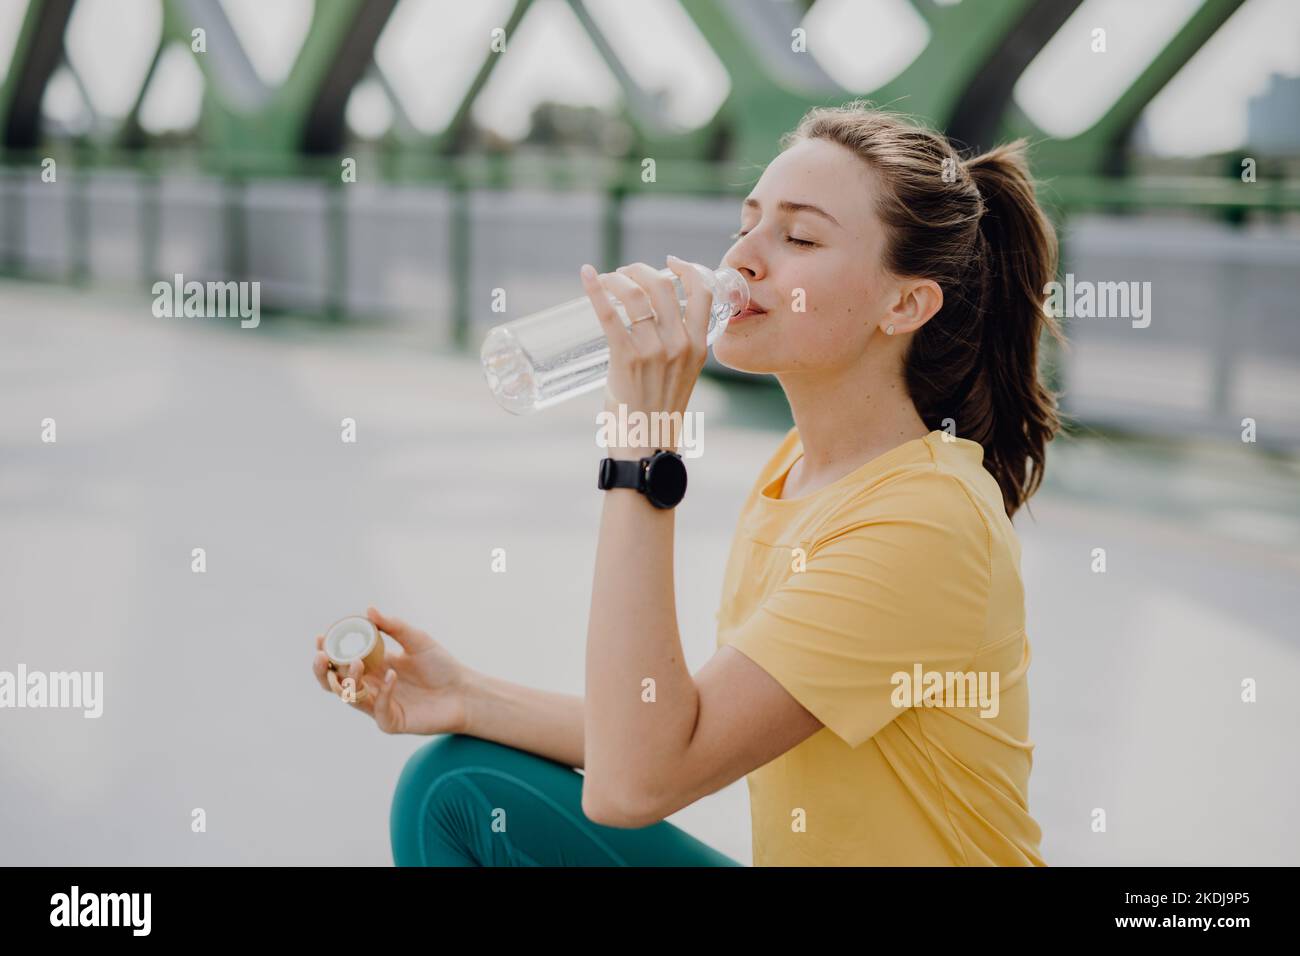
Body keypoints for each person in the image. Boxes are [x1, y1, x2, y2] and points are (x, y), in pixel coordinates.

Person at [311, 100, 1059, 866]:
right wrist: (467, 696)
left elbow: (635, 785)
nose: (744, 259)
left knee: (458, 793)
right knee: (456, 784)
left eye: (798, 237)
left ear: (905, 303)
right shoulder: (797, 471)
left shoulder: (925, 523)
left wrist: (642, 443)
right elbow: (677, 727)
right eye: (747, 225)